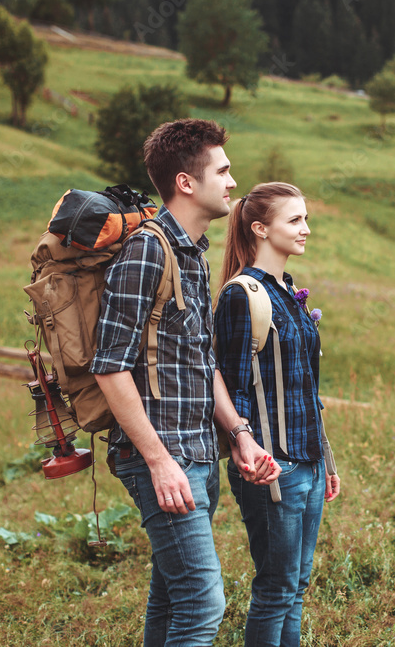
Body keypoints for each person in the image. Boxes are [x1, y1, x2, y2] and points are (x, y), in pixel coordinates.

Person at [91, 119, 279, 647]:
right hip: (162, 456)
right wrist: (157, 461)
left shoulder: (190, 254)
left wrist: (239, 433)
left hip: (197, 452)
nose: (233, 182)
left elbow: (202, 360)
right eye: (222, 170)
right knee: (203, 601)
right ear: (186, 182)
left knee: (172, 598)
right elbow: (109, 366)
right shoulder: (147, 251)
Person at [215, 182, 342, 647]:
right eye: (295, 220)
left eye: (306, 218)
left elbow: (306, 390)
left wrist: (324, 460)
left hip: (305, 463)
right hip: (272, 468)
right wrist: (247, 452)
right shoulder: (241, 296)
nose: (306, 229)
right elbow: (227, 386)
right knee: (275, 589)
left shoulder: (288, 292)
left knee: (297, 586)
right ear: (260, 228)